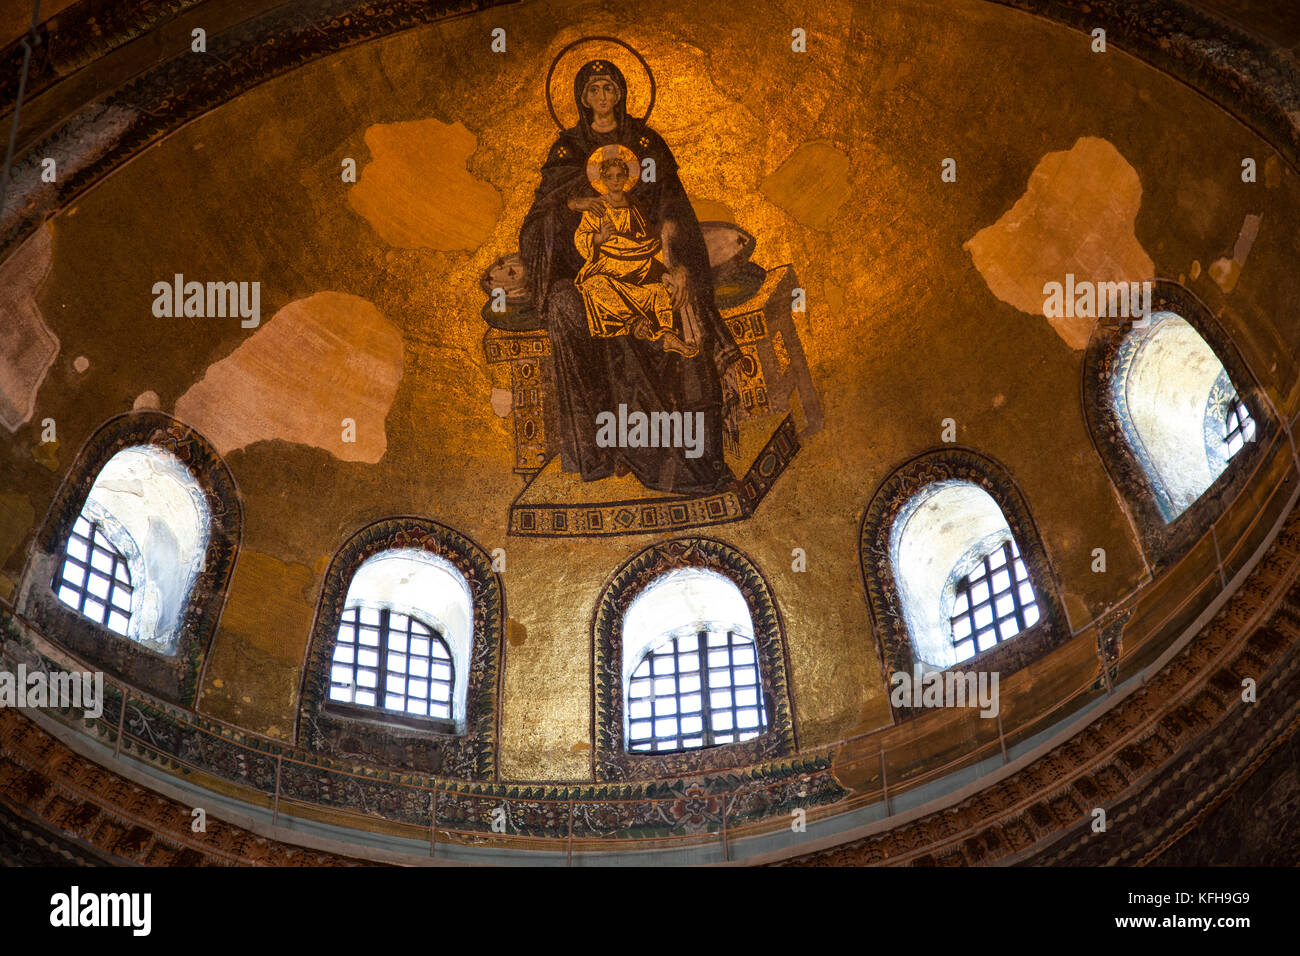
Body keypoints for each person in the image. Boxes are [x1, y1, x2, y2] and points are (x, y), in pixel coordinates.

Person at [518, 58, 741, 494]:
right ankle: (601, 449)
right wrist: (574, 207)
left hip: (648, 263)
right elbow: (540, 223)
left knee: (683, 309)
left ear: (620, 93)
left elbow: (673, 211)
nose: (602, 97)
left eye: (609, 88)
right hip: (592, 271)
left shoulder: (645, 142)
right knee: (569, 306)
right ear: (583, 99)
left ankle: (694, 459)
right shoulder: (566, 151)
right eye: (593, 90)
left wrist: (677, 264)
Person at [573, 148, 697, 357]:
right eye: (609, 176)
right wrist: (598, 238)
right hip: (608, 265)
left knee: (659, 291)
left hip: (639, 265)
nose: (615, 180)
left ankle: (668, 336)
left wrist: (668, 269)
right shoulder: (597, 206)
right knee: (594, 286)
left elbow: (649, 241)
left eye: (619, 175)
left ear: (626, 178)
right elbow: (581, 236)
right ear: (602, 179)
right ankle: (633, 323)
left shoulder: (634, 206)